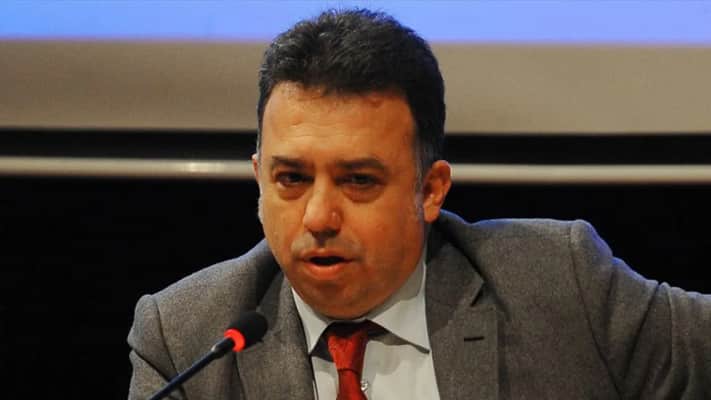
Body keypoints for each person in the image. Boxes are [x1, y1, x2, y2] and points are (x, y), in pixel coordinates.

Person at [127, 8, 711, 399]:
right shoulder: (187, 339)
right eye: (292, 178)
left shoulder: (559, 285)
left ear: (430, 190)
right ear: (259, 178)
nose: (318, 217)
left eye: (358, 180)